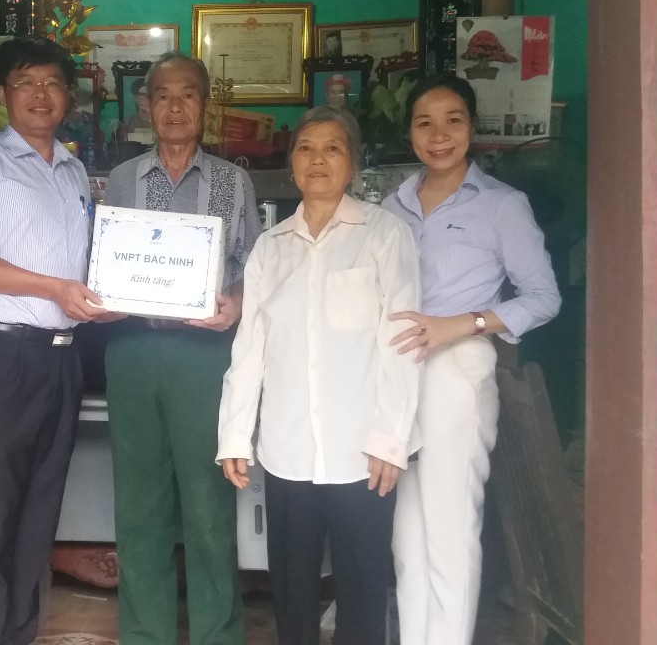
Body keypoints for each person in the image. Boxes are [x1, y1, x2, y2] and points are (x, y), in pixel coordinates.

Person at [217, 106, 422, 645]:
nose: (318, 159)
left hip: (362, 452)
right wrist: (235, 435)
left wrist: (391, 439)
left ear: (352, 164)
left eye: (333, 148)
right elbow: (250, 348)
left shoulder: (384, 235)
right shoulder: (270, 247)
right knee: (292, 590)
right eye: (306, 148)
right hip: (287, 450)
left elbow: (402, 344)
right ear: (291, 165)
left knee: (363, 588)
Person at [0, 35, 115, 645]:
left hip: (61, 360)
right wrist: (55, 289)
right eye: (26, 83)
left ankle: (18, 635)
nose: (41, 95)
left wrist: (107, 304)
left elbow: (81, 274)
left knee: (40, 513)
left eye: (52, 83)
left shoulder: (73, 172)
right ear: (3, 92)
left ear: (68, 96)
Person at [384, 73, 562, 645]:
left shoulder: (502, 206)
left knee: (450, 529)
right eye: (424, 123)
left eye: (453, 120)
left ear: (472, 128)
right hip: (399, 375)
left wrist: (464, 324)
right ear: (410, 133)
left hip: (458, 370)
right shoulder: (391, 207)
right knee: (407, 539)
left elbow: (544, 298)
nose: (439, 135)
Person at [103, 51, 261, 645]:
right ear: (147, 106)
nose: (175, 106)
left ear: (205, 104)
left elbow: (254, 267)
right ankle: (145, 634)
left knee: (207, 504)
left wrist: (236, 303)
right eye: (163, 95)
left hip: (204, 356)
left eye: (188, 94)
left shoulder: (232, 181)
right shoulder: (122, 179)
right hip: (133, 349)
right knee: (139, 504)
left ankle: (218, 634)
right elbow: (107, 259)